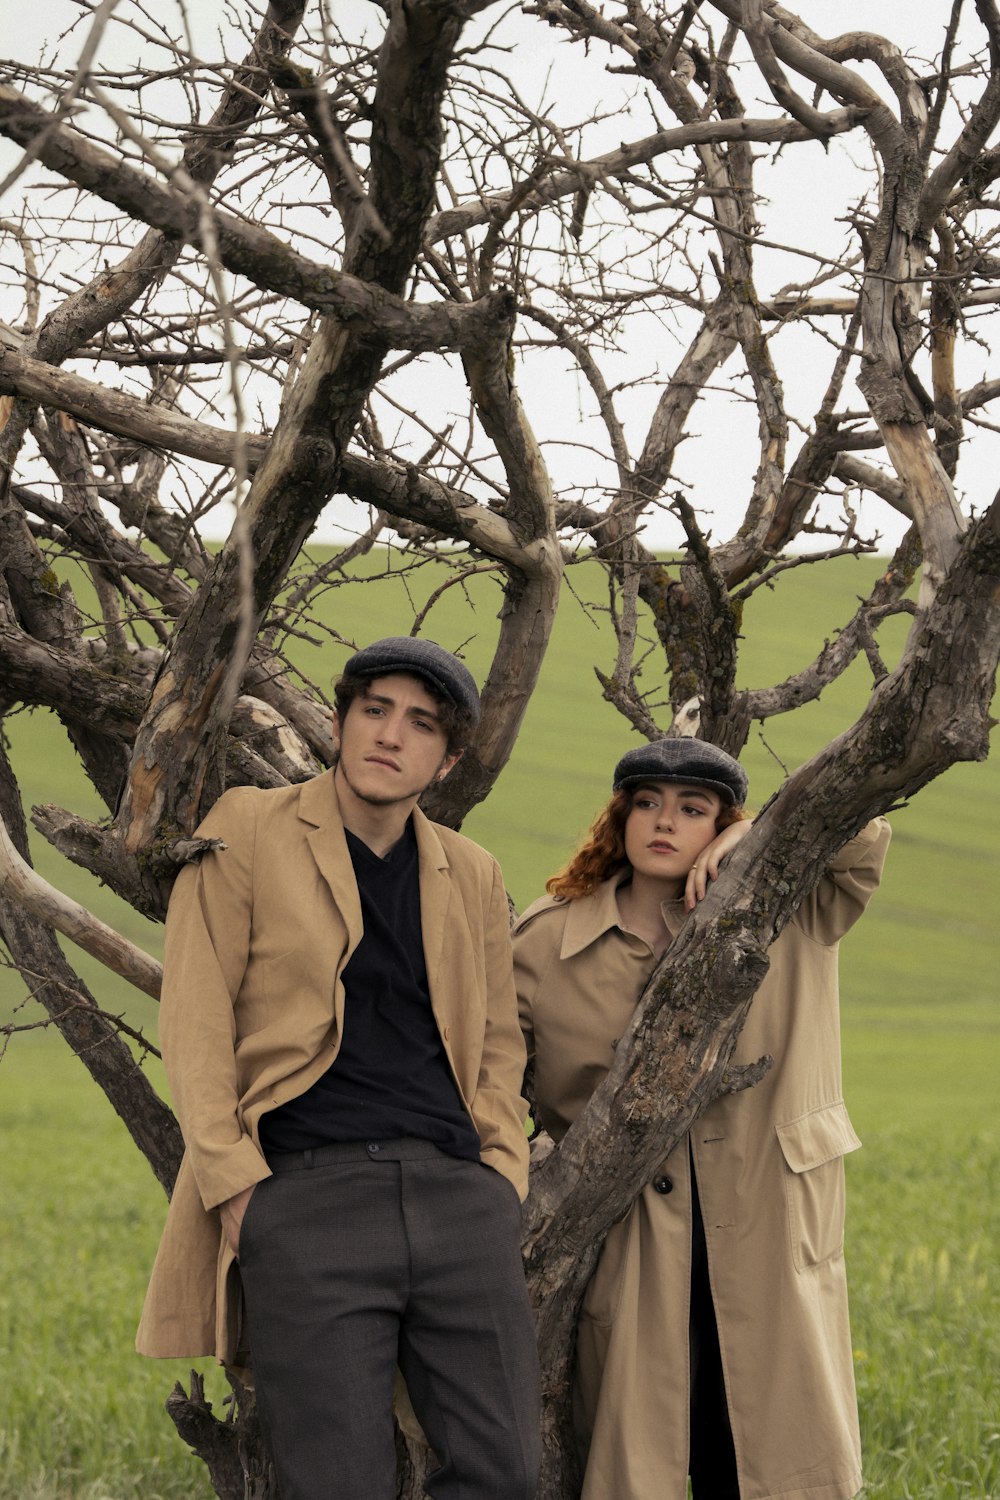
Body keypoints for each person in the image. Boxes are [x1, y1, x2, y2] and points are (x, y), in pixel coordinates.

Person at [137, 637, 541, 1500]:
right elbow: (196, 1015)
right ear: (338, 721)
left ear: (448, 759)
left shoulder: (470, 873)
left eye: (421, 724)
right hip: (307, 1198)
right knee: (334, 1483)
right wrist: (237, 1184)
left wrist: (501, 1173)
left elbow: (501, 1042)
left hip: (457, 1200)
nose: (391, 736)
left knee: (504, 1471)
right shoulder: (247, 826)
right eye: (375, 710)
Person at [512, 738, 891, 1500]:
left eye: (694, 810)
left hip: (767, 1224)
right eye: (646, 802)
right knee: (638, 1459)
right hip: (630, 1247)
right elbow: (488, 1087)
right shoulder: (546, 940)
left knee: (765, 1456)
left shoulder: (787, 896)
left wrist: (763, 832)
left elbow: (864, 828)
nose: (664, 821)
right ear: (618, 815)